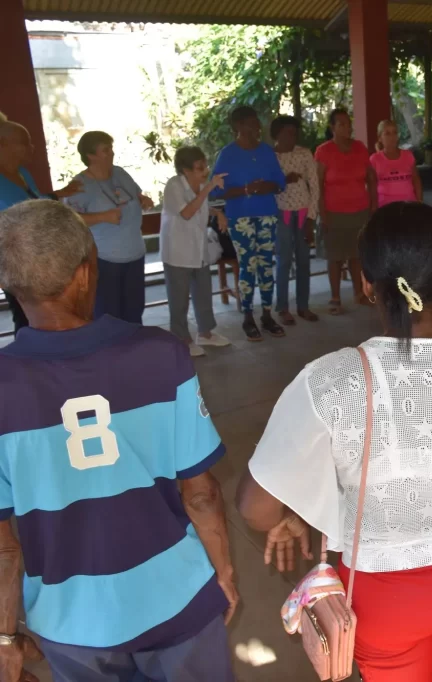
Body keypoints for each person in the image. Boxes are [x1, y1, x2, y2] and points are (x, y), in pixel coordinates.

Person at [236, 201, 432, 682]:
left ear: (365, 284)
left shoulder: (331, 381)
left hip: (382, 595)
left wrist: (292, 517)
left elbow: (255, 508)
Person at [0, 200, 238, 682]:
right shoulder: (160, 355)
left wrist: (5, 636)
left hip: (72, 623)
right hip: (175, 599)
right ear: (86, 274)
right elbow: (201, 493)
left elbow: (5, 549)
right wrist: (223, 572)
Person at [211, 106, 288, 341]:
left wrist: (268, 186)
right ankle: (247, 316)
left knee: (266, 264)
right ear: (239, 127)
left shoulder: (266, 151)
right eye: (252, 123)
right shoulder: (227, 155)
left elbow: (280, 183)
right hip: (240, 217)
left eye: (257, 123)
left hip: (266, 214)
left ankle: (266, 314)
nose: (257, 127)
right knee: (248, 265)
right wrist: (246, 189)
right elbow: (214, 192)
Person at [0, 116, 80, 334]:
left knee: (53, 314)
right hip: (16, 262)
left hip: (43, 258)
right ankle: (30, 362)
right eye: (24, 142)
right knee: (27, 318)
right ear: (2, 144)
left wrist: (57, 195)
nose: (31, 147)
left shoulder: (22, 173)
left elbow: (35, 203)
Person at [63, 131, 154, 324]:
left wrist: (143, 199)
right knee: (109, 314)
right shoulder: (80, 185)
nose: (111, 153)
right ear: (91, 155)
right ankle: (112, 352)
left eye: (111, 148)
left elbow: (136, 194)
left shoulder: (120, 173)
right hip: (105, 259)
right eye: (105, 150)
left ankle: (133, 349)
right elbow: (70, 219)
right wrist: (102, 217)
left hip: (135, 254)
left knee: (134, 309)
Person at [159, 146, 232, 357]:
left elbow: (200, 206)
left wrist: (217, 212)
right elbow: (187, 212)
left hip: (198, 248)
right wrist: (209, 187)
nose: (205, 170)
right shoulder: (174, 185)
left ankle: (206, 333)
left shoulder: (200, 184)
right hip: (177, 251)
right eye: (200, 167)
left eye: (205, 165)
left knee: (203, 293)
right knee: (179, 299)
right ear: (185, 170)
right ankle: (182, 338)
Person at [315, 108, 378, 314]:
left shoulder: (360, 148)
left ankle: (359, 294)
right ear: (332, 127)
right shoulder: (324, 151)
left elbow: (370, 178)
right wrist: (322, 212)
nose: (346, 127)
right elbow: (318, 184)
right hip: (334, 211)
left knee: (357, 255)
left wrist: (373, 204)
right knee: (335, 257)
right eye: (341, 124)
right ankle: (335, 297)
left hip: (359, 209)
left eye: (348, 123)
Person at [271, 115, 320, 325]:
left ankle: (303, 306)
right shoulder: (270, 156)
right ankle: (282, 308)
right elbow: (266, 184)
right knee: (283, 261)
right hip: (281, 213)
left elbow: (315, 185)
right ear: (277, 134)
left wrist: (311, 217)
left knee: (303, 260)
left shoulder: (304, 153)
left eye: (295, 132)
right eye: (288, 132)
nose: (293, 136)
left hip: (302, 212)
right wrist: (283, 180)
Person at [371, 119, 422, 207]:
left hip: (409, 205)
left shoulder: (408, 156)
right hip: (384, 207)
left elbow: (416, 181)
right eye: (387, 133)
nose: (392, 137)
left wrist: (420, 202)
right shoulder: (374, 159)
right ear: (380, 138)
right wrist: (374, 208)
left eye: (395, 133)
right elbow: (371, 187)